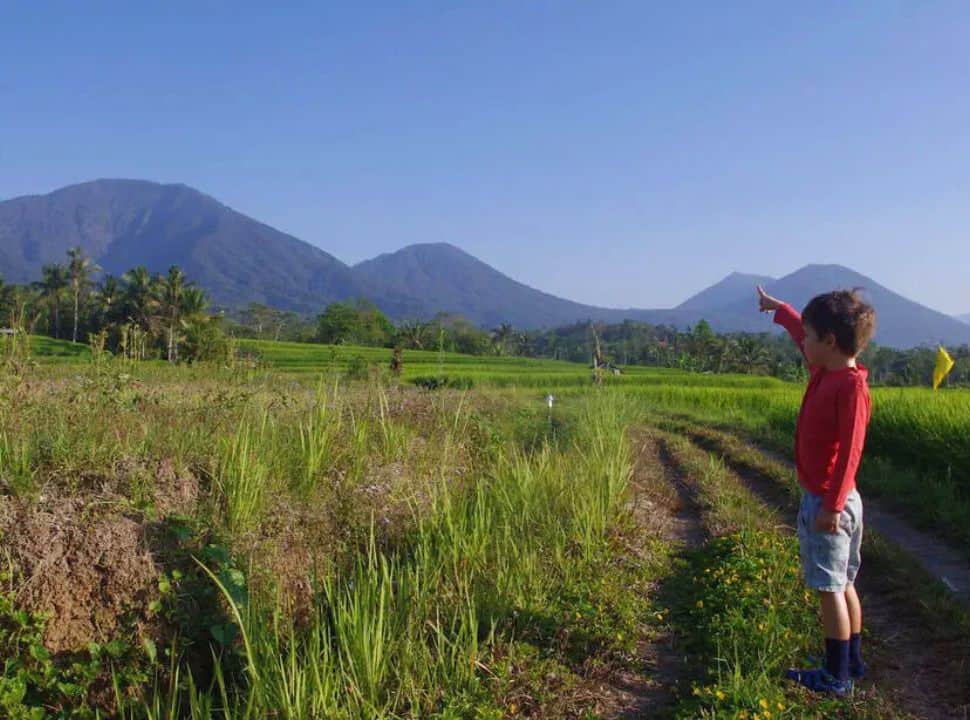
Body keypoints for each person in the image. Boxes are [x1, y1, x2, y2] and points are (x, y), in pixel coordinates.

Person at [757, 285, 876, 696]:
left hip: (830, 502)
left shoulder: (850, 387)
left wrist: (832, 505)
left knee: (829, 589)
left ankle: (835, 676)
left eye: (809, 337)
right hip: (833, 499)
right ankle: (852, 662)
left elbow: (851, 453)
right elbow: (799, 336)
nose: (802, 343)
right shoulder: (827, 371)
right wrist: (783, 311)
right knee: (843, 583)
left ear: (828, 341)